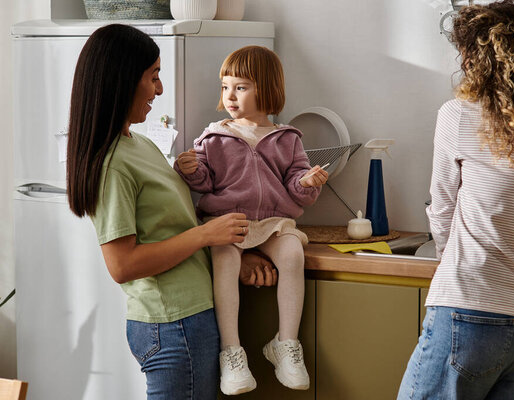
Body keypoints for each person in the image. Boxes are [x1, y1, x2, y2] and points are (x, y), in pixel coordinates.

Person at [66, 24, 277, 400]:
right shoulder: (113, 164)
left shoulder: (139, 144)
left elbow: (172, 227)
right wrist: (206, 236)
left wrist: (230, 253)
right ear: (122, 80)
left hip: (188, 315)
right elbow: (123, 265)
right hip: (173, 323)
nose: (159, 89)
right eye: (153, 77)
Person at [397, 1, 514, 399]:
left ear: (472, 60)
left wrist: (453, 267)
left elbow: (443, 208)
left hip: (468, 309)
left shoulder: (460, 115)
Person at [174, 45, 328, 395]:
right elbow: (204, 182)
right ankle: (232, 352)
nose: (230, 95)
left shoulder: (288, 138)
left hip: (273, 222)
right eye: (225, 86)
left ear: (268, 89)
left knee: (292, 253)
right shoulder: (214, 136)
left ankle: (286, 345)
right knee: (225, 258)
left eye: (240, 87)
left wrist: (307, 183)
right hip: (228, 222)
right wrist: (189, 169)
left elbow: (296, 183)